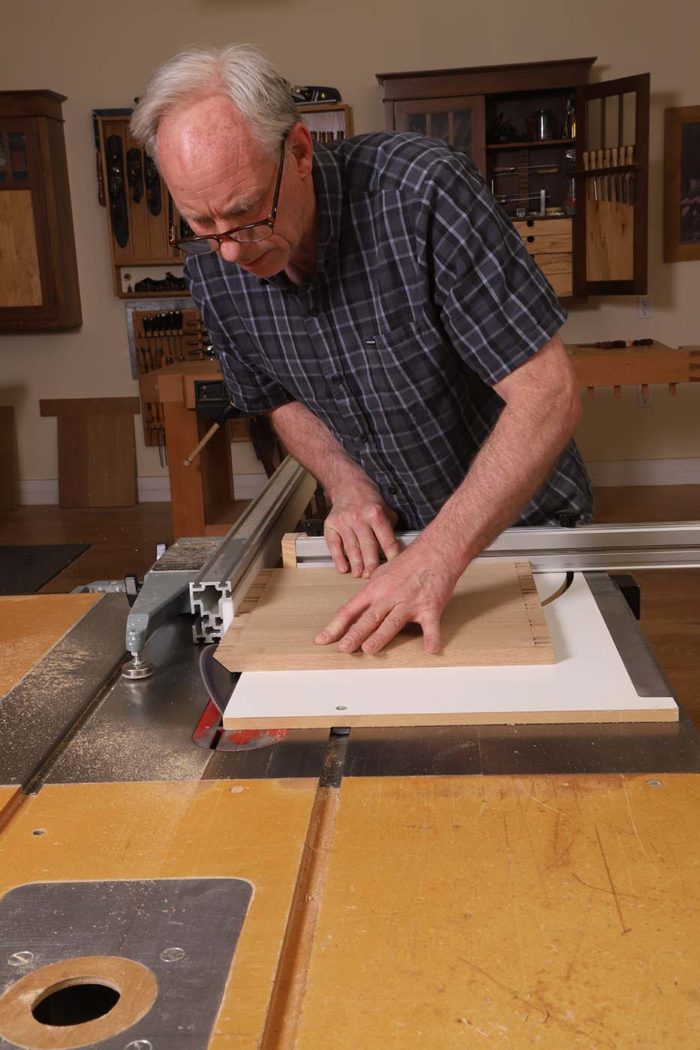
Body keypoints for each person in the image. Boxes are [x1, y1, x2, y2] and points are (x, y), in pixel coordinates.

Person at [130, 44, 592, 657]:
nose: (232, 251)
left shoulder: (422, 192)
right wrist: (347, 484)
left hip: (521, 531)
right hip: (393, 547)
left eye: (244, 214)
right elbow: (277, 397)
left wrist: (439, 553)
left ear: (298, 151)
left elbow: (548, 394)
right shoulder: (215, 266)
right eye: (201, 224)